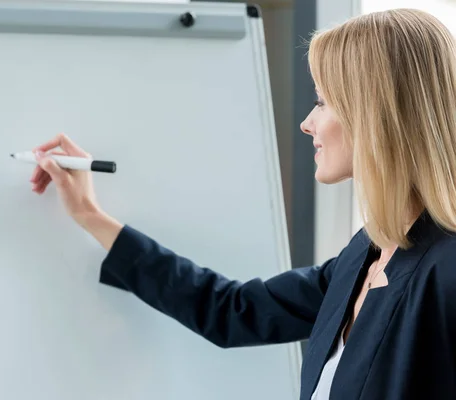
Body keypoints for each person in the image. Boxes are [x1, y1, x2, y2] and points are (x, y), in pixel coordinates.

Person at [28, 8, 456, 400]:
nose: (307, 123)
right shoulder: (364, 255)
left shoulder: (445, 268)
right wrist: (89, 215)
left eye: (322, 101)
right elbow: (232, 310)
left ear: (375, 113)